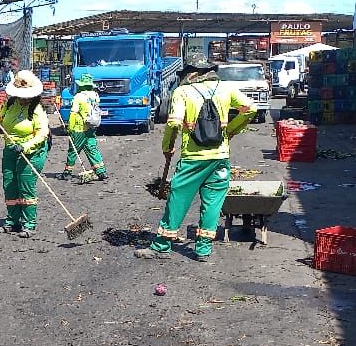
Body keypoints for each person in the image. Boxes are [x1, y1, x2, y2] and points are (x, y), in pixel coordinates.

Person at [135, 60, 255, 262]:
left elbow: (173, 123)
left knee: (178, 200)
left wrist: (167, 147)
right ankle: (203, 250)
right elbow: (250, 108)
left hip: (192, 160)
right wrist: (231, 130)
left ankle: (162, 245)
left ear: (192, 74)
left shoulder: (183, 92)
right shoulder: (226, 88)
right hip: (220, 158)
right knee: (212, 204)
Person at [0, 70, 49, 238]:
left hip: (32, 151)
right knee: (10, 184)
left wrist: (26, 146)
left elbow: (42, 133)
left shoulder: (36, 109)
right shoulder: (10, 104)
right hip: (10, 150)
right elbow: (0, 121)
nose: (23, 98)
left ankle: (29, 223)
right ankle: (12, 221)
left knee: (25, 183)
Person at [61, 74, 108, 181]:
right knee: (92, 148)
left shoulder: (79, 97)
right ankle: (101, 171)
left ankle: (67, 172)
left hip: (78, 128)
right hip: (91, 126)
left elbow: (73, 113)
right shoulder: (95, 96)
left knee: (73, 149)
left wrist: (69, 128)